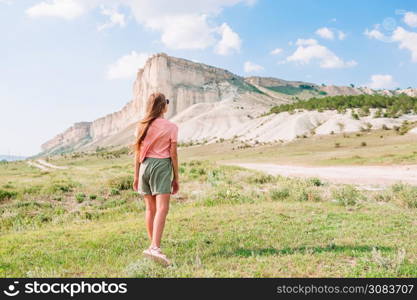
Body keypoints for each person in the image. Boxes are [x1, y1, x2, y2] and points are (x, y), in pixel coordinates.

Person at [132, 92, 179, 266]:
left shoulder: (141, 126)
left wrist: (136, 175)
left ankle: (154, 247)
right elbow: (173, 153)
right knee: (162, 209)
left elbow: (137, 153)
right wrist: (176, 177)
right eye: (166, 102)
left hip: (144, 166)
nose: (168, 104)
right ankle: (155, 248)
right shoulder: (171, 126)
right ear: (162, 106)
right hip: (161, 166)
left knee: (150, 209)